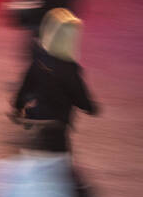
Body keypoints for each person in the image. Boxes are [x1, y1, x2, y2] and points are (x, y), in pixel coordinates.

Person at [11, 8, 99, 156]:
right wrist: (91, 108)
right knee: (60, 168)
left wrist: (18, 107)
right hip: (56, 128)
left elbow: (25, 89)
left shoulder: (38, 62)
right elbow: (81, 99)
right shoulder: (69, 70)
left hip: (37, 120)